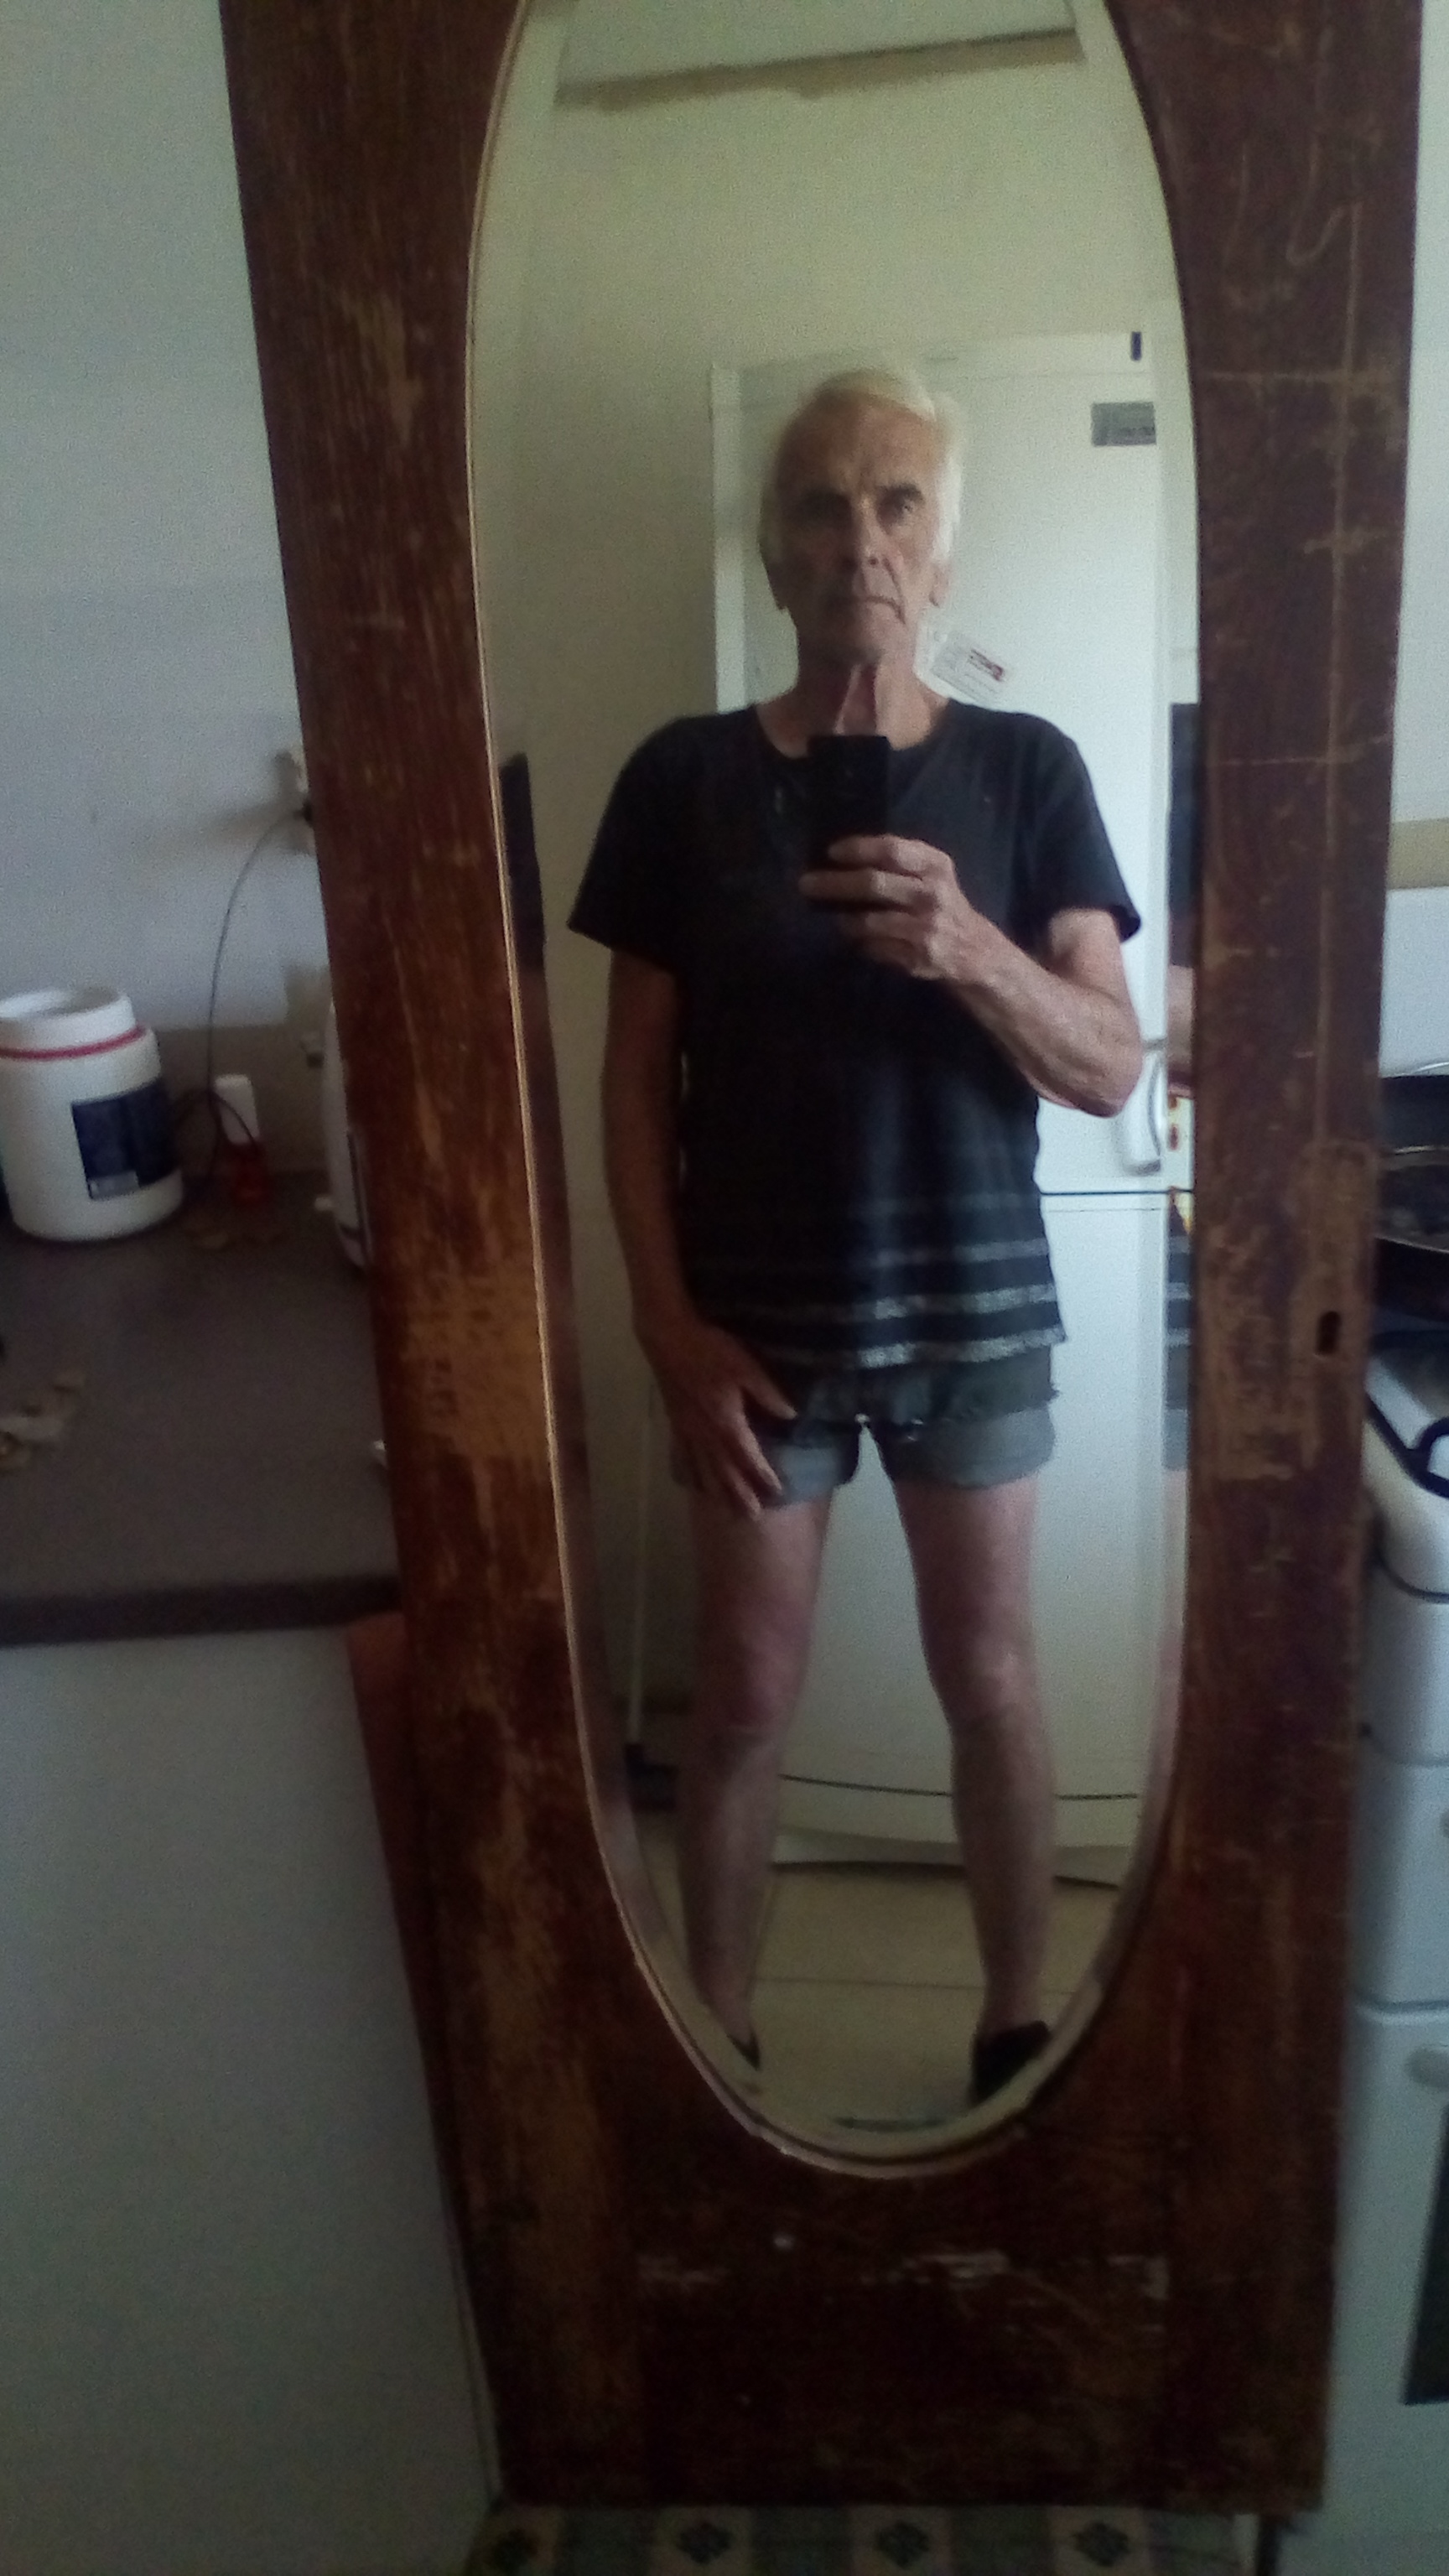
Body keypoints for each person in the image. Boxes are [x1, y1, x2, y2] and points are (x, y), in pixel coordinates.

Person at [569, 368, 1144, 2104]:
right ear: (771, 553)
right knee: (743, 1692)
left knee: (993, 1675)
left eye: (897, 505)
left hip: (976, 1312)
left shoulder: (1030, 768)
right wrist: (664, 1327)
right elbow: (632, 1079)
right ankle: (721, 2035)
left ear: (942, 557)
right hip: (751, 1327)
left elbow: (1110, 1065)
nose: (860, 540)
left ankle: (1013, 2025)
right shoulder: (679, 777)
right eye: (820, 505)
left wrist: (968, 946)